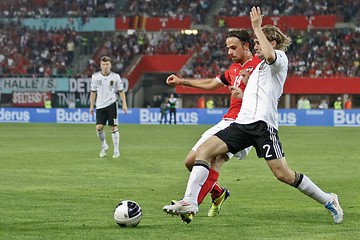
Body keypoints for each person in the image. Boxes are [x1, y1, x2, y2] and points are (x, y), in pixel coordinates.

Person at [163, 7, 343, 225]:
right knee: (203, 151)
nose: (256, 46)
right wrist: (245, 87)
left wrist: (257, 27)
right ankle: (190, 201)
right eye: (256, 42)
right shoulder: (255, 71)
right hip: (241, 124)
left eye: (259, 42)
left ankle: (328, 200)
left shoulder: (279, 60)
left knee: (283, 174)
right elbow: (254, 92)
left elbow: (269, 56)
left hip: (263, 127)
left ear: (272, 43)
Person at [165, 28, 261, 223]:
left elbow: (270, 94)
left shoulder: (259, 66)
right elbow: (212, 83)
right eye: (227, 49)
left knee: (215, 160)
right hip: (227, 121)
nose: (229, 53)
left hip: (245, 124)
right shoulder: (233, 69)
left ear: (246, 45)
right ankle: (217, 192)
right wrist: (182, 81)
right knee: (190, 161)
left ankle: (190, 206)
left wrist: (248, 88)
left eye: (233, 48)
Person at [89, 56, 128, 158]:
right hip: (100, 106)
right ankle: (104, 145)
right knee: (99, 127)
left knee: (113, 127)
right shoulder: (95, 77)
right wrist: (91, 106)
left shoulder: (115, 77)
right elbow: (93, 92)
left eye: (107, 64)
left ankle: (116, 150)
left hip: (111, 104)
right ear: (100, 65)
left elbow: (121, 91)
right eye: (103, 64)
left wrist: (124, 103)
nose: (105, 66)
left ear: (110, 65)